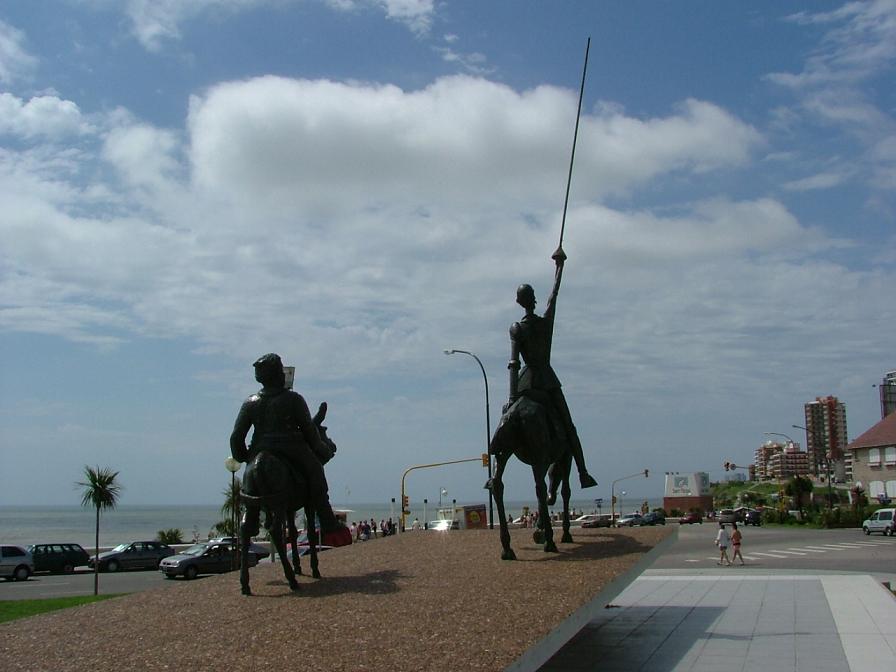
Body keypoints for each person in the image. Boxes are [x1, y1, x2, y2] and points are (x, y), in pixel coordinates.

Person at [503, 247, 597, 503]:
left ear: (519, 302)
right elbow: (554, 296)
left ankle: (495, 472)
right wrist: (559, 267)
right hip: (547, 381)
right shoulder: (545, 323)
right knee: (569, 426)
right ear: (533, 300)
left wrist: (512, 398)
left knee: (506, 421)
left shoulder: (516, 328)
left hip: (525, 384)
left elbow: (513, 364)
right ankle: (583, 472)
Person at [230, 353, 340, 533]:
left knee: (251, 474)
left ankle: (251, 515)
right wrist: (321, 449)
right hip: (293, 448)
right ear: (277, 375)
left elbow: (236, 437)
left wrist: (245, 457)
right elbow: (309, 430)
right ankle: (327, 519)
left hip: (259, 449)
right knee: (316, 473)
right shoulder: (294, 399)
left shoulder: (250, 403)